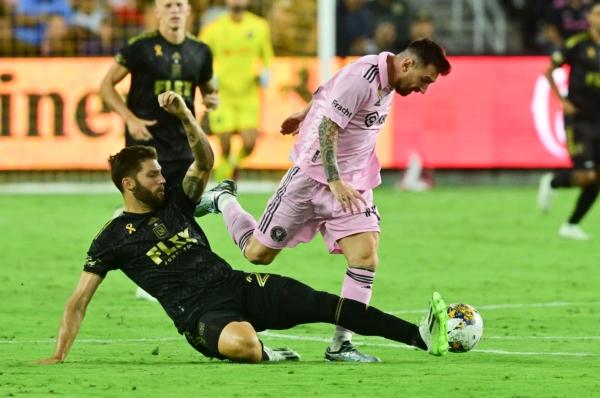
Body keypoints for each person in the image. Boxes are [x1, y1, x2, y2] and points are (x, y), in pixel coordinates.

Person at [36, 91, 450, 365]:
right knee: (245, 346)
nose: (161, 180)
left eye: (161, 172)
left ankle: (418, 335)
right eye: (152, 176)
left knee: (323, 304)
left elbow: (204, 160)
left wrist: (183, 114)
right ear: (128, 184)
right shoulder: (112, 238)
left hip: (238, 286)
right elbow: (78, 301)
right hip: (200, 316)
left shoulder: (176, 202)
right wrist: (59, 353)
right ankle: (266, 352)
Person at [195, 39, 452, 362]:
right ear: (408, 65)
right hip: (313, 179)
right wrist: (334, 180)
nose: (424, 90)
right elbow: (329, 128)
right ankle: (223, 199)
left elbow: (327, 90)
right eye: (425, 81)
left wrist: (303, 113)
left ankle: (341, 343)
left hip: (352, 184)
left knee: (365, 258)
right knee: (257, 254)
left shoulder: (384, 80)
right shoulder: (363, 77)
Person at [100, 0, 218, 301]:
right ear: (157, 12)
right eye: (168, 4)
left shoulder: (201, 51)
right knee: (154, 209)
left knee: (179, 210)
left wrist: (212, 100)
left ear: (189, 10)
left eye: (180, 4)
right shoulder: (139, 47)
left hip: (183, 144)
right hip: (146, 143)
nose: (174, 9)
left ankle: (170, 270)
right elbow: (106, 86)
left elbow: (208, 87)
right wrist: (131, 119)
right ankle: (148, 277)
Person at [538, 1, 600, 240]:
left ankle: (571, 225)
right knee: (586, 176)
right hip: (580, 119)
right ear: (589, 18)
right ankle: (553, 181)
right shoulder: (577, 44)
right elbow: (549, 70)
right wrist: (561, 99)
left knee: (598, 178)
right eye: (596, 13)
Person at [199, 0, 274, 181]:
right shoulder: (214, 29)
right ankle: (224, 181)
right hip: (223, 94)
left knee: (249, 144)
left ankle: (231, 166)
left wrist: (265, 72)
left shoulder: (260, 26)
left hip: (248, 95)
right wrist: (208, 75)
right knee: (224, 143)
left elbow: (267, 57)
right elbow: (200, 54)